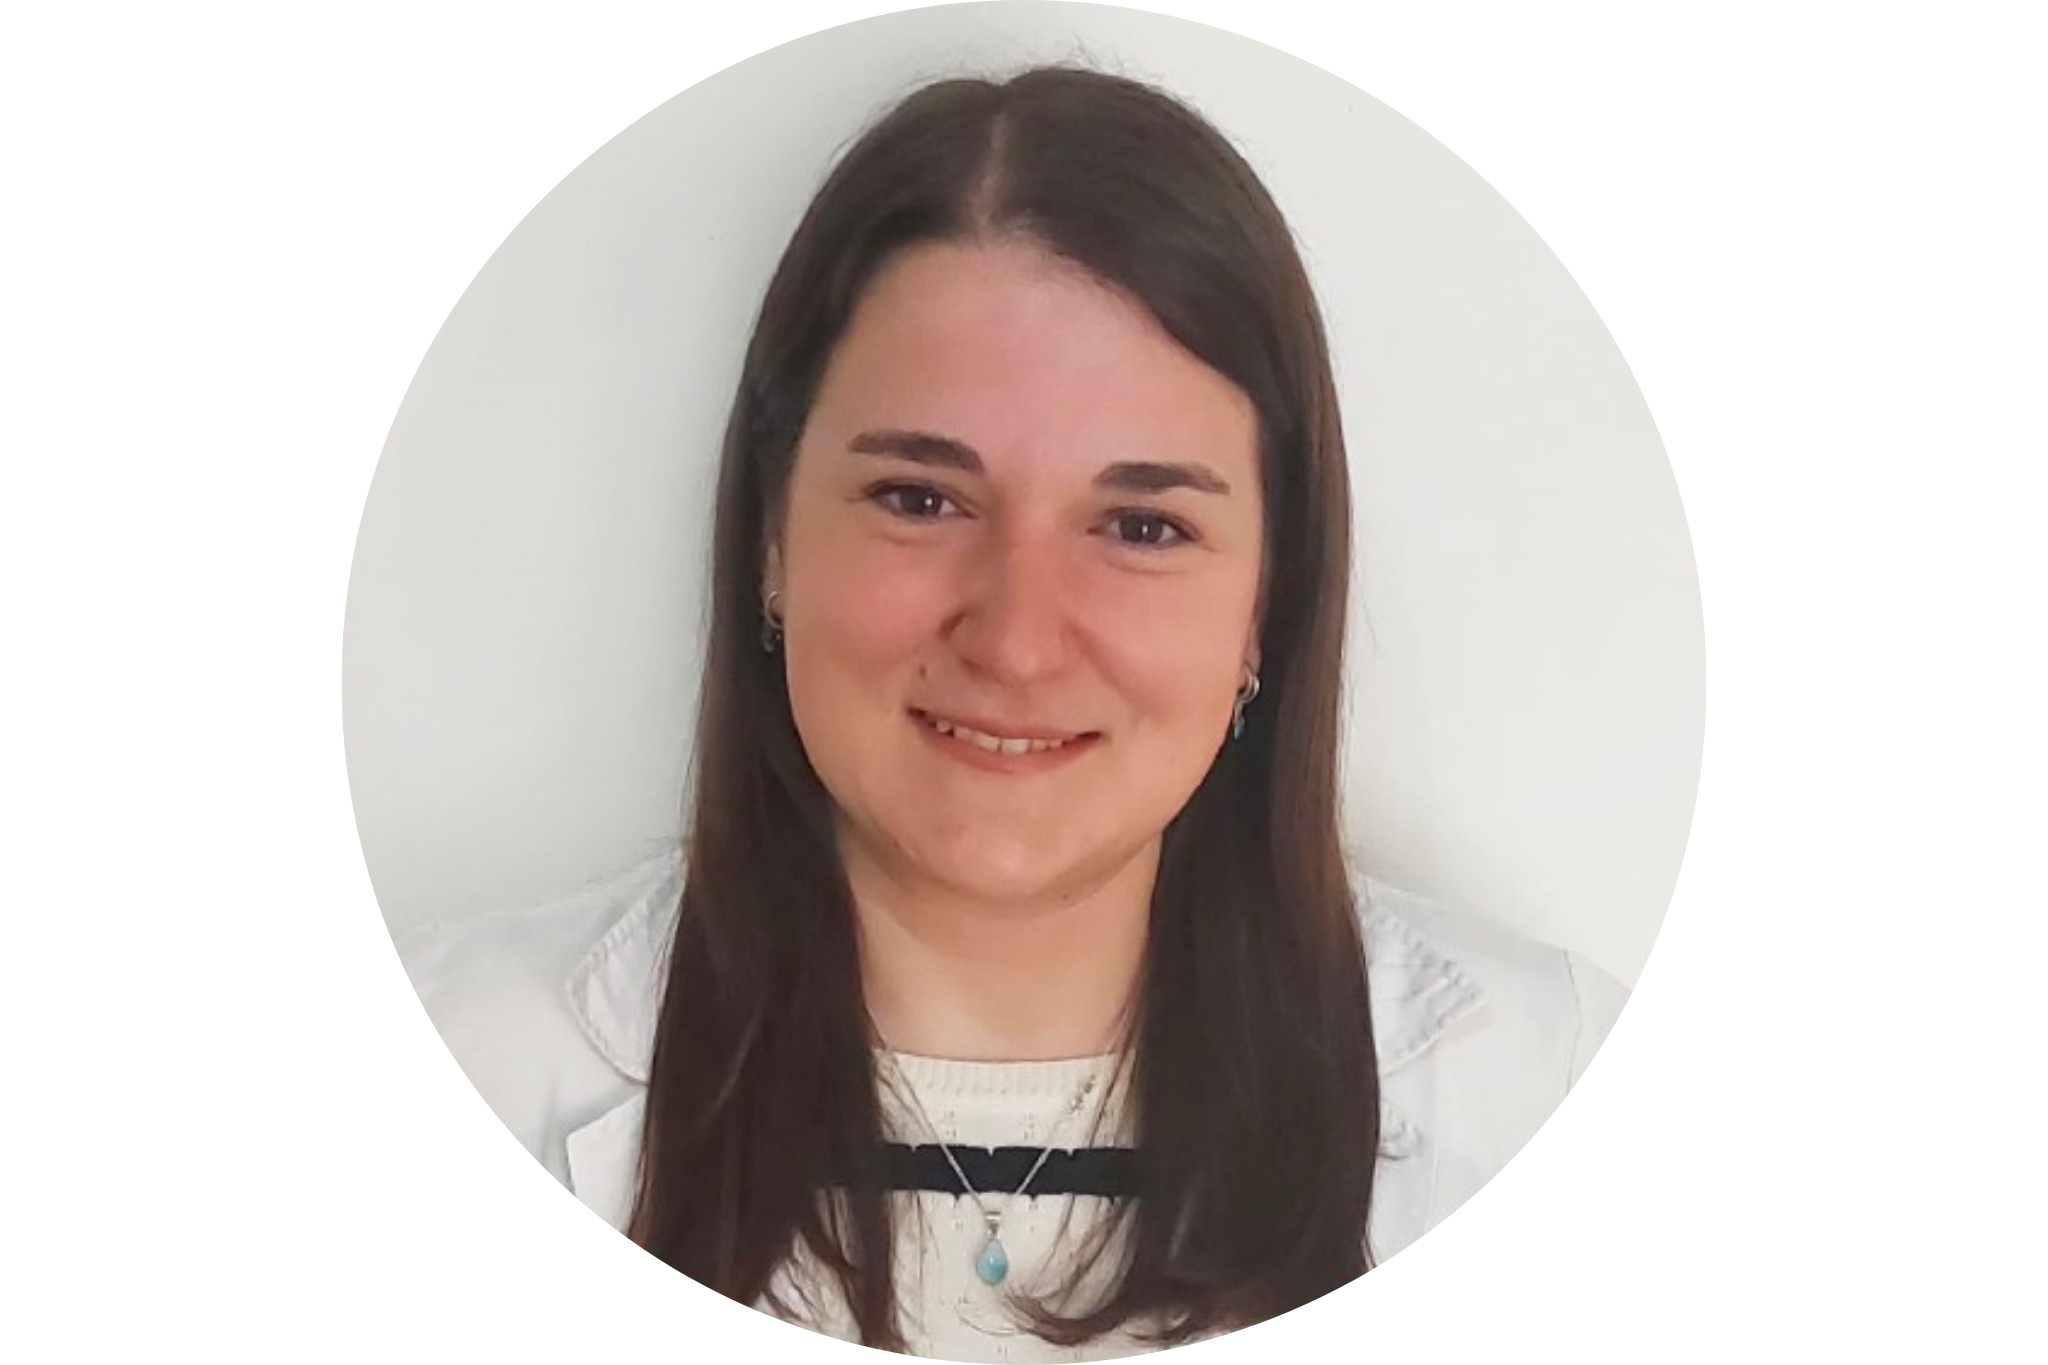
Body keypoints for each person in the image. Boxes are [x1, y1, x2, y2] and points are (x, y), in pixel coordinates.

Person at [394, 66, 1630, 1362]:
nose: (1020, 639)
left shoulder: (1565, 1101)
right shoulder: (468, 1053)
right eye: (920, 500)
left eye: (1143, 525)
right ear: (771, 538)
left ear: (1269, 603)